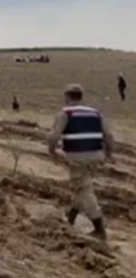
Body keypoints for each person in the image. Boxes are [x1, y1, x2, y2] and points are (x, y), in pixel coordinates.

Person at [46, 83, 115, 240]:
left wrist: (52, 151)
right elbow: (109, 135)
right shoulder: (96, 113)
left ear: (66, 97)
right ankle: (71, 217)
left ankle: (99, 228)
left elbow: (54, 136)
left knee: (84, 189)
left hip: (77, 157)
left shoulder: (65, 113)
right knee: (82, 185)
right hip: (96, 155)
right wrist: (109, 153)